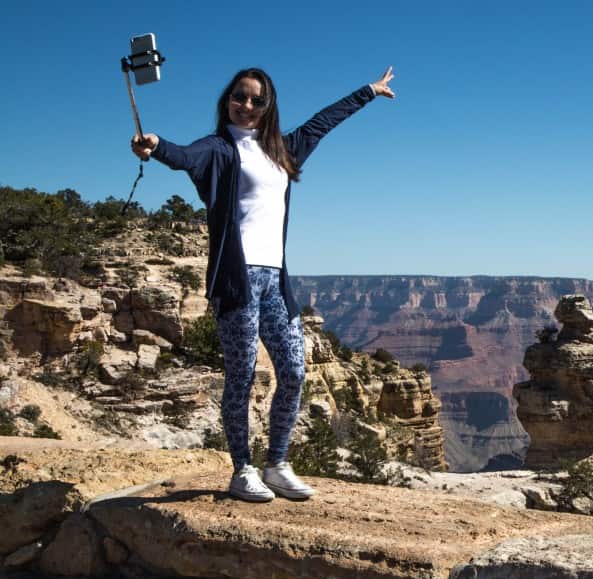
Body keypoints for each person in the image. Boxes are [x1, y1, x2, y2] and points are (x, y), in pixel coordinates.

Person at [131, 66, 395, 502]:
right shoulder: (217, 148)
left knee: (292, 371)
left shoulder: (283, 150)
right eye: (239, 97)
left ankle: (277, 464)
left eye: (256, 100)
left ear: (268, 106)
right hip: (237, 279)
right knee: (241, 375)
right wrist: (154, 146)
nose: (246, 106)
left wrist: (368, 91)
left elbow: (322, 123)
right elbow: (181, 155)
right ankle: (241, 469)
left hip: (274, 279)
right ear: (227, 100)